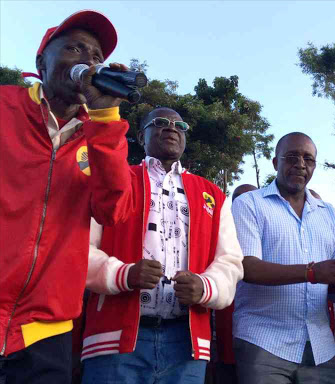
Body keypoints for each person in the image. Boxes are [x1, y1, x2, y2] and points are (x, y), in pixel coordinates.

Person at [0, 10, 135, 383]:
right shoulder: (5, 107)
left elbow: (115, 210)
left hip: (46, 329)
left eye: (96, 57)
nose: (88, 62)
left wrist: (106, 119)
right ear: (41, 61)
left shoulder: (100, 135)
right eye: (75, 48)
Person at [80, 107, 244, 384]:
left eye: (180, 125)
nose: (171, 128)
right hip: (115, 339)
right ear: (141, 137)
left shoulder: (213, 195)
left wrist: (205, 287)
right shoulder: (115, 181)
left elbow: (230, 261)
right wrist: (124, 274)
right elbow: (79, 249)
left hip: (187, 343)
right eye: (160, 123)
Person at [231, 132, 335, 384]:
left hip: (320, 349)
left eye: (308, 159)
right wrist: (312, 272)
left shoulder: (330, 215)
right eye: (292, 157)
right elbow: (247, 268)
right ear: (275, 163)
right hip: (264, 343)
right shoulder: (249, 204)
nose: (301, 164)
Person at [213, 184, 258, 384]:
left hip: (258, 330)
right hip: (226, 322)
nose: (244, 203)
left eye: (250, 197)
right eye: (238, 199)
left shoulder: (263, 229)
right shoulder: (219, 231)